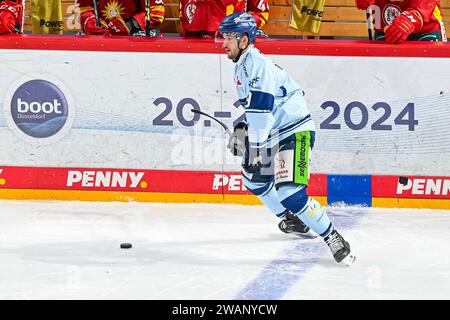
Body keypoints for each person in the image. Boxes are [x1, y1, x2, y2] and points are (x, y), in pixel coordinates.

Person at [219, 12, 356, 265]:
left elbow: (261, 111)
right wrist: (243, 128)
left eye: (229, 37)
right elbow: (256, 110)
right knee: (253, 179)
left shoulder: (256, 65)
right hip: (275, 131)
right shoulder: (242, 67)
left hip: (295, 130)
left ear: (245, 39)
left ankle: (333, 236)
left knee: (290, 192)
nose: (223, 42)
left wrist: (256, 149)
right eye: (224, 36)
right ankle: (293, 219)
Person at [355, 0, 447, 43]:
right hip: (386, 30)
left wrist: (410, 19)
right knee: (384, 75)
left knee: (431, 75)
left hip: (425, 31)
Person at [179, 0, 269, 38]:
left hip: (232, 40)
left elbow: (261, 14)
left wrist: (244, 23)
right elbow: (183, 14)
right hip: (193, 39)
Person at [78, 0, 165, 36]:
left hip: (135, 32)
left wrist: (130, 25)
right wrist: (91, 22)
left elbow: (155, 14)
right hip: (104, 33)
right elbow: (85, 10)